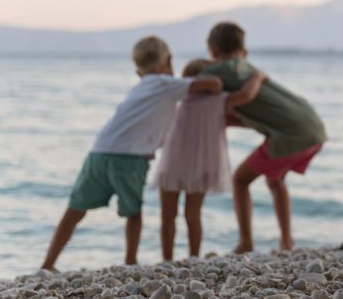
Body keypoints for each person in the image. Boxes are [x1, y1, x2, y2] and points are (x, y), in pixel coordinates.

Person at [40, 36, 222, 271]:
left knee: (75, 209)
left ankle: (48, 264)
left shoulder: (141, 86)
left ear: (138, 70)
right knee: (133, 213)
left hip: (98, 152)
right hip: (130, 158)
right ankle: (130, 261)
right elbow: (213, 85)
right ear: (169, 60)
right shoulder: (166, 83)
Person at [201, 22, 327, 253]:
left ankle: (246, 243)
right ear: (244, 51)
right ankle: (287, 242)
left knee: (240, 180)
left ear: (213, 52)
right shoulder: (246, 68)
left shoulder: (215, 72)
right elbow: (258, 114)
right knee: (275, 180)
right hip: (314, 129)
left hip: (290, 136)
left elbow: (195, 88)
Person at [153, 58, 267, 261]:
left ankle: (167, 260)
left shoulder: (178, 102)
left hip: (172, 163)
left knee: (167, 216)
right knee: (193, 215)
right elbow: (245, 96)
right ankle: (194, 257)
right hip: (200, 167)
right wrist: (257, 76)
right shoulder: (219, 101)